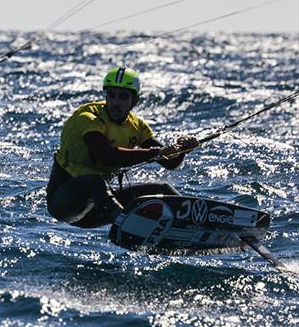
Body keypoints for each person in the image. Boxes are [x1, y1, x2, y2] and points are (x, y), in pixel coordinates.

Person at [46, 66, 199, 228]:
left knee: (163, 190)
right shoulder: (88, 117)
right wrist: (156, 152)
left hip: (99, 207)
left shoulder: (137, 126)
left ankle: (192, 226)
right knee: (95, 181)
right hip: (64, 204)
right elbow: (106, 156)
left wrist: (182, 149)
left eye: (123, 97)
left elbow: (169, 162)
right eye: (111, 95)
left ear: (134, 101)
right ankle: (128, 223)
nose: (115, 103)